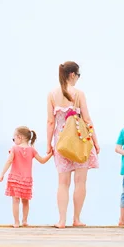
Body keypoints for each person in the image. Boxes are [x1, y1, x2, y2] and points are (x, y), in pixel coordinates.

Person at [46, 61, 100, 228]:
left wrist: (49, 144)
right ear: (72, 75)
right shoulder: (79, 94)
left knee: (62, 182)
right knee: (80, 182)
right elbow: (87, 119)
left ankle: (61, 221)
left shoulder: (52, 94)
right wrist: (95, 142)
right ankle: (76, 219)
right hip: (79, 140)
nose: (78, 78)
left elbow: (50, 122)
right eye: (78, 75)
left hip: (61, 143)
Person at [0, 126, 52, 228]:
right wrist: (51, 154)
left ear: (20, 137)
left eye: (14, 138)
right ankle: (25, 221)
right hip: (27, 180)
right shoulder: (31, 150)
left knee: (15, 201)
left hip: (15, 178)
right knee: (25, 201)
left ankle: (16, 222)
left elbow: (9, 161)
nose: (13, 141)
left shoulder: (14, 148)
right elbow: (42, 161)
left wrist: (2, 174)